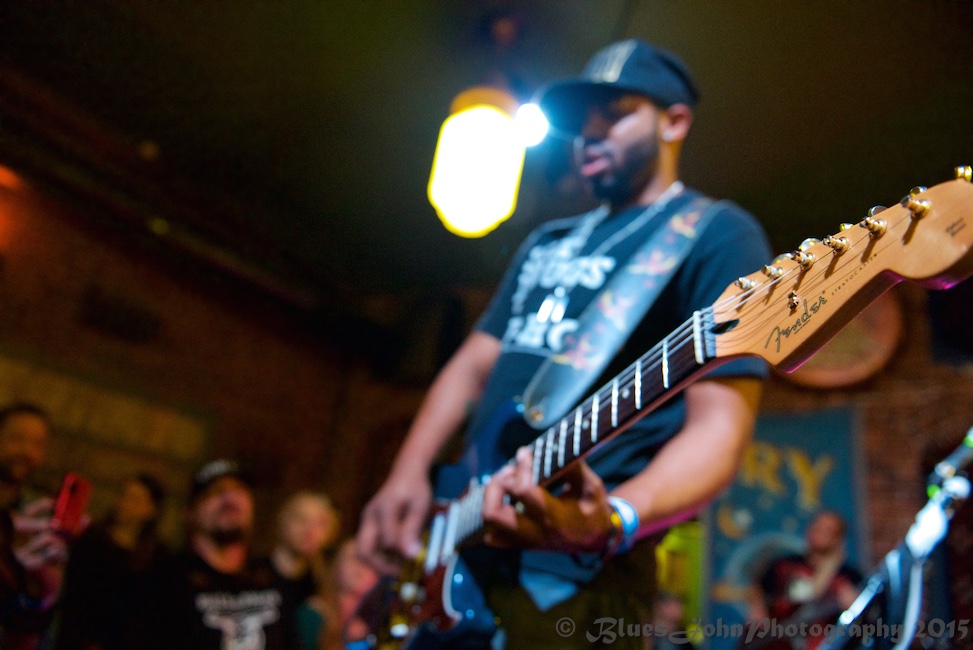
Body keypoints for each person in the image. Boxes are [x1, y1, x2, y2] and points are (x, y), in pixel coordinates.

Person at [356, 38, 772, 649]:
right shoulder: (546, 241)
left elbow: (719, 430)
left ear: (675, 120)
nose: (590, 134)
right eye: (582, 122)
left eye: (616, 114)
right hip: (464, 536)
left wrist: (612, 518)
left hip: (580, 573)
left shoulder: (714, 234)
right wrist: (408, 471)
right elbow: (474, 365)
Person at [128, 459, 300, 650]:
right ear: (190, 514)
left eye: (239, 490)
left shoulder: (270, 579)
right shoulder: (162, 583)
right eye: (216, 491)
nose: (229, 498)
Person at [56, 473, 168, 650]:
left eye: (135, 499)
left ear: (151, 509)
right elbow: (76, 597)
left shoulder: (157, 556)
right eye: (125, 495)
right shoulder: (93, 540)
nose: (125, 503)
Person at [0, 403, 67, 650]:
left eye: (37, 443)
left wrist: (41, 590)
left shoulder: (38, 520)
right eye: (16, 438)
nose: (26, 451)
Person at [744, 511, 862, 650]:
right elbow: (760, 589)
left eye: (828, 530)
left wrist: (854, 607)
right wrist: (757, 611)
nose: (820, 533)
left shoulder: (850, 577)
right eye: (817, 527)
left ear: (839, 538)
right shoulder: (785, 565)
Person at [270, 491, 341, 650]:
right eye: (301, 519)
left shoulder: (325, 587)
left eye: (321, 524)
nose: (310, 530)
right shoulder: (253, 576)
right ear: (283, 520)